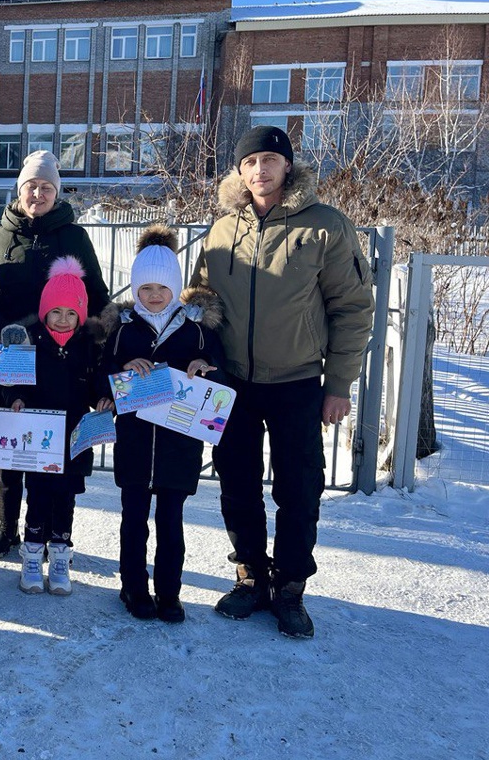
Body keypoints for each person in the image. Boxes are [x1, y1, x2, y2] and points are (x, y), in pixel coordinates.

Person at [191, 125, 374, 638]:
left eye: (270, 159)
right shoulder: (223, 228)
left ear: (287, 166)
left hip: (297, 381)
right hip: (233, 384)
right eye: (251, 162)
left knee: (299, 488)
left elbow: (354, 308)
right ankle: (250, 575)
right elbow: (202, 303)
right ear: (240, 170)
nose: (261, 170)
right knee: (238, 483)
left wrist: (338, 384)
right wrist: (200, 361)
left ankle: (290, 586)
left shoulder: (325, 226)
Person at [0, 150, 108, 561]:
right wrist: (3, 328)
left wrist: (98, 338)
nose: (38, 193)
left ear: (56, 192)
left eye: (46, 187)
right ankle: (7, 525)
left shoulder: (73, 237)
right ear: (20, 190)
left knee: (57, 447)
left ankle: (50, 528)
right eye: (31, 185)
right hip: (10, 352)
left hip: (59, 351)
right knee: (9, 441)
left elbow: (96, 292)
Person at [98, 226, 225, 623]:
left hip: (178, 445)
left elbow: (219, 378)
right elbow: (101, 373)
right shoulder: (122, 329)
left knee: (171, 521)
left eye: (162, 288)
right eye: (146, 288)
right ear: (136, 289)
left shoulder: (197, 331)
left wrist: (203, 370)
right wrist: (120, 369)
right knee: (133, 519)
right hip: (134, 442)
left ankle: (169, 592)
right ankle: (133, 587)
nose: (154, 296)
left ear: (175, 287)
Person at [0, 257, 109, 596]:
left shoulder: (89, 346)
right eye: (56, 312)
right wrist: (15, 398)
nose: (63, 319)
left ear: (81, 315)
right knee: (39, 495)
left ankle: (60, 555)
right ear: (45, 311)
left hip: (74, 438)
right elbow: (12, 382)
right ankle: (32, 553)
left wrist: (105, 398)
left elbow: (100, 382)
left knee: (66, 498)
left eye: (71, 313)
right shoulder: (30, 341)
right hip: (38, 440)